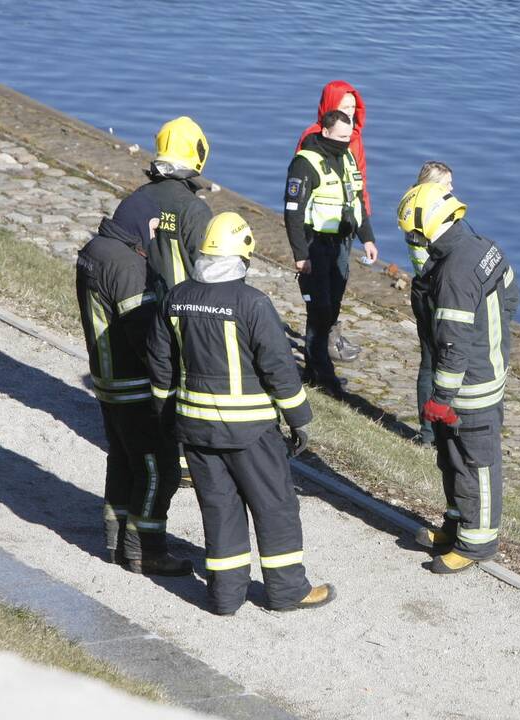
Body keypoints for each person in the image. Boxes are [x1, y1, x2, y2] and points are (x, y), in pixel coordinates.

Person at [148, 212, 334, 615]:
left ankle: (224, 596)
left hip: (196, 429)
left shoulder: (175, 298)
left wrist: (166, 414)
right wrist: (299, 417)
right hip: (250, 431)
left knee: (219, 509)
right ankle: (286, 590)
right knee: (275, 506)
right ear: (242, 257)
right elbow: (278, 368)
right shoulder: (252, 303)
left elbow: (161, 365)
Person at [398, 183, 520, 573]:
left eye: (412, 234)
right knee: (452, 460)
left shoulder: (454, 272)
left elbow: (452, 344)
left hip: (471, 390)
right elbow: (512, 294)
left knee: (475, 464)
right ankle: (454, 524)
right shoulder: (483, 246)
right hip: (485, 370)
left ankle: (476, 544)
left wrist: (440, 399)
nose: (411, 241)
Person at [75, 192, 190, 576]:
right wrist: (170, 384)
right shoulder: (127, 267)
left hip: (107, 378)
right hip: (133, 382)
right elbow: (144, 336)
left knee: (123, 459)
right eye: (155, 229)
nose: (157, 238)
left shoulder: (96, 248)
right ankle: (146, 549)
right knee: (160, 467)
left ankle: (115, 536)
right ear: (142, 222)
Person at [128, 115, 213, 488]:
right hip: (180, 310)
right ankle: (182, 460)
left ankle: (151, 444)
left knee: (155, 378)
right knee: (185, 382)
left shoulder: (139, 198)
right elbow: (207, 266)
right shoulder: (193, 209)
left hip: (141, 304)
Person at [285, 110, 377, 397]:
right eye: (340, 137)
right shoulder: (305, 163)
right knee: (319, 310)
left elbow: (356, 201)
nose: (345, 142)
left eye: (348, 138)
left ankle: (316, 370)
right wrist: (301, 255)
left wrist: (368, 239)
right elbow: (293, 213)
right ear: (325, 132)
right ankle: (324, 377)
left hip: (340, 244)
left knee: (333, 307)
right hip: (315, 244)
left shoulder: (347, 157)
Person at [295, 80, 372, 363]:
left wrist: (365, 229)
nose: (350, 113)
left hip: (345, 224)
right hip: (319, 231)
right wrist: (301, 248)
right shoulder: (312, 139)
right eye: (344, 107)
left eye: (353, 107)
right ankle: (319, 352)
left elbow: (357, 184)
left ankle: (331, 336)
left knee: (338, 286)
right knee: (319, 297)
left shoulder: (354, 139)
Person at [405, 161, 453, 446]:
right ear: (433, 186)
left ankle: (431, 429)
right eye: (447, 184)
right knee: (434, 362)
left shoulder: (412, 207)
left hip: (425, 290)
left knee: (431, 361)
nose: (452, 189)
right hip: (433, 294)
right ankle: (431, 431)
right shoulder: (425, 216)